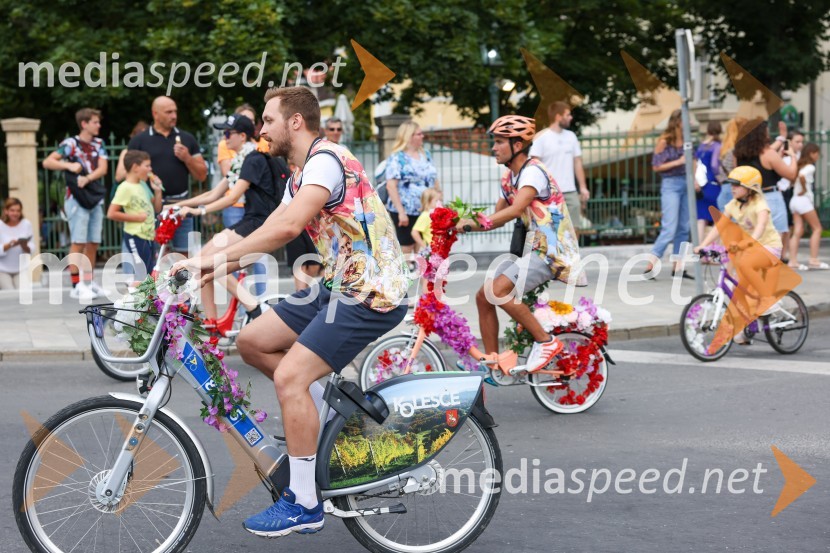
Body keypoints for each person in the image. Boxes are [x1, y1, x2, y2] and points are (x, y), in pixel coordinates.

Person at [172, 86, 409, 538]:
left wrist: (203, 262)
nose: (261, 129)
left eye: (268, 120)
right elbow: (264, 234)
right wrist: (207, 270)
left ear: (295, 122)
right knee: (253, 341)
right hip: (338, 284)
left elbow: (287, 227)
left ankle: (304, 502)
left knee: (290, 377)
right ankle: (326, 426)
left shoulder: (326, 161)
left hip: (369, 291)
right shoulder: (299, 174)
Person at [455, 115, 583, 372]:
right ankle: (492, 362)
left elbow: (514, 210)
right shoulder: (509, 177)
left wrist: (471, 224)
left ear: (517, 145)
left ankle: (546, 342)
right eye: (494, 142)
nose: (493, 147)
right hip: (533, 249)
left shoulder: (533, 171)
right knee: (483, 296)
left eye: (499, 142)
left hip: (552, 251)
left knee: (498, 291)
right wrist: (458, 221)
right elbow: (496, 217)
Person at [173, 115, 282, 322]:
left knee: (210, 261)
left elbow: (232, 197)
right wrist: (178, 205)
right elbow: (214, 193)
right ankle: (212, 323)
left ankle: (253, 307)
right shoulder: (241, 160)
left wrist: (200, 212)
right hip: (252, 219)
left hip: (258, 222)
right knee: (203, 261)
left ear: (242, 136)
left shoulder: (253, 159)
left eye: (227, 133)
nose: (224, 138)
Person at [695, 166, 784, 343]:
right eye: (731, 185)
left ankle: (768, 299)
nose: (732, 188)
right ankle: (744, 328)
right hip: (750, 249)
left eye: (737, 185)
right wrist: (702, 245)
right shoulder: (734, 205)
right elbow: (720, 226)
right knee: (738, 291)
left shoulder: (760, 204)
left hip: (769, 247)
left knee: (744, 265)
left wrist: (749, 242)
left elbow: (760, 227)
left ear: (750, 188)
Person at [118, 96, 207, 253]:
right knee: (153, 255)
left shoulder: (187, 138)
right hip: (150, 207)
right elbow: (128, 174)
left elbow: (202, 176)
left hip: (180, 206)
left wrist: (187, 158)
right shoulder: (139, 140)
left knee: (183, 256)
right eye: (168, 112)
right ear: (155, 114)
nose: (174, 116)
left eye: (175, 112)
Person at [42, 107, 109, 300]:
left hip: (94, 197)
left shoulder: (99, 143)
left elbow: (103, 168)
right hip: (76, 198)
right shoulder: (70, 144)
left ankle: (88, 282)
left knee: (93, 242)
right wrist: (69, 165)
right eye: (95, 122)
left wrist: (87, 178)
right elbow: (48, 162)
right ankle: (76, 285)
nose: (99, 125)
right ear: (84, 124)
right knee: (78, 242)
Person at [733, 118, 797, 261]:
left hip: (749, 200)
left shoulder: (738, 155)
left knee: (751, 238)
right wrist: (793, 157)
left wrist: (780, 144)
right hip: (770, 198)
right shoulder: (767, 153)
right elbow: (791, 174)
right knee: (773, 242)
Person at [644, 109, 691, 278]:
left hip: (687, 182)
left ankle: (677, 268)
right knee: (669, 228)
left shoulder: (688, 140)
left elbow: (692, 160)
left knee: (684, 228)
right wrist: (678, 162)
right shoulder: (665, 141)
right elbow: (656, 166)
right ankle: (650, 266)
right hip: (670, 184)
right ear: (678, 121)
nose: (690, 122)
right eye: (686, 119)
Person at [529, 101, 589, 231]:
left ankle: (574, 246)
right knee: (551, 230)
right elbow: (534, 166)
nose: (571, 117)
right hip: (549, 193)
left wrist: (583, 187)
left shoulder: (571, 136)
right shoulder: (541, 137)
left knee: (575, 228)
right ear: (558, 116)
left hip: (570, 191)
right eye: (568, 115)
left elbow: (577, 162)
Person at [384, 120, 441, 255]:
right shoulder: (397, 158)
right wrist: (401, 212)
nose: (422, 136)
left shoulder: (425, 154)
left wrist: (439, 201)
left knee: (422, 246)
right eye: (419, 134)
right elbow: (391, 186)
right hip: (406, 210)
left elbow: (434, 179)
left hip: (425, 209)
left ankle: (419, 269)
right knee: (407, 247)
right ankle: (406, 269)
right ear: (409, 136)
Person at [107, 151, 163, 278]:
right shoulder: (125, 188)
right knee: (143, 273)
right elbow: (111, 213)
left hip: (149, 236)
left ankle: (147, 291)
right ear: (135, 167)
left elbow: (157, 208)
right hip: (135, 236)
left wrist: (158, 191)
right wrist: (137, 218)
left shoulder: (142, 184)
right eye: (147, 166)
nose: (150, 169)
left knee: (150, 272)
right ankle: (137, 290)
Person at [788, 143, 827, 270]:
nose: (818, 156)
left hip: (794, 200)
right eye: (817, 153)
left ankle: (793, 261)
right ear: (811, 153)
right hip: (803, 200)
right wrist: (804, 189)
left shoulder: (799, 165)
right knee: (817, 229)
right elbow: (802, 176)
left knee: (797, 231)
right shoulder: (810, 167)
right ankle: (813, 259)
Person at [695, 121, 723, 240]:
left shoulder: (701, 146)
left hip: (701, 184)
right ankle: (715, 246)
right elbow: (714, 165)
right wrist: (720, 179)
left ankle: (699, 245)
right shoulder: (717, 146)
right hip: (713, 184)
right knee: (717, 218)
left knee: (701, 218)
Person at [0, 198, 34, 290]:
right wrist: (9, 245)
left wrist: (24, 246)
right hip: (2, 270)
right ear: (6, 211)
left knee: (23, 293)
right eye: (12, 210)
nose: (15, 213)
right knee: (10, 292)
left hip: (21, 269)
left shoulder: (26, 224)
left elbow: (32, 247)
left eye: (18, 210)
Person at [716, 117, 747, 211]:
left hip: (724, 190)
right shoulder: (737, 150)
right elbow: (738, 171)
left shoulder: (724, 149)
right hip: (734, 191)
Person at [411, 188, 442, 252]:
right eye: (436, 200)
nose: (440, 202)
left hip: (440, 248)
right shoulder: (425, 215)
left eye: (440, 200)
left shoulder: (436, 214)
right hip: (432, 250)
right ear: (427, 202)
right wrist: (425, 246)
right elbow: (414, 232)